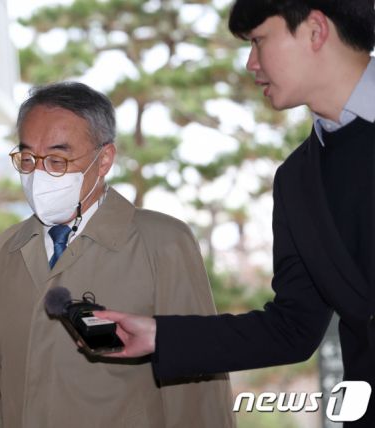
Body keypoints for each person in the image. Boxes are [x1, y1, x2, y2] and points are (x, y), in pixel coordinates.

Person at [94, 0, 375, 426]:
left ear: (316, 30)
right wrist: (160, 335)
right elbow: (294, 328)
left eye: (259, 40)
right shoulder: (296, 181)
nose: (250, 63)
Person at [0, 82, 234, 428]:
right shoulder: (4, 250)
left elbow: (198, 391)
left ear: (104, 160)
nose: (38, 174)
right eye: (27, 159)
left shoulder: (163, 243)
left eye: (57, 160)